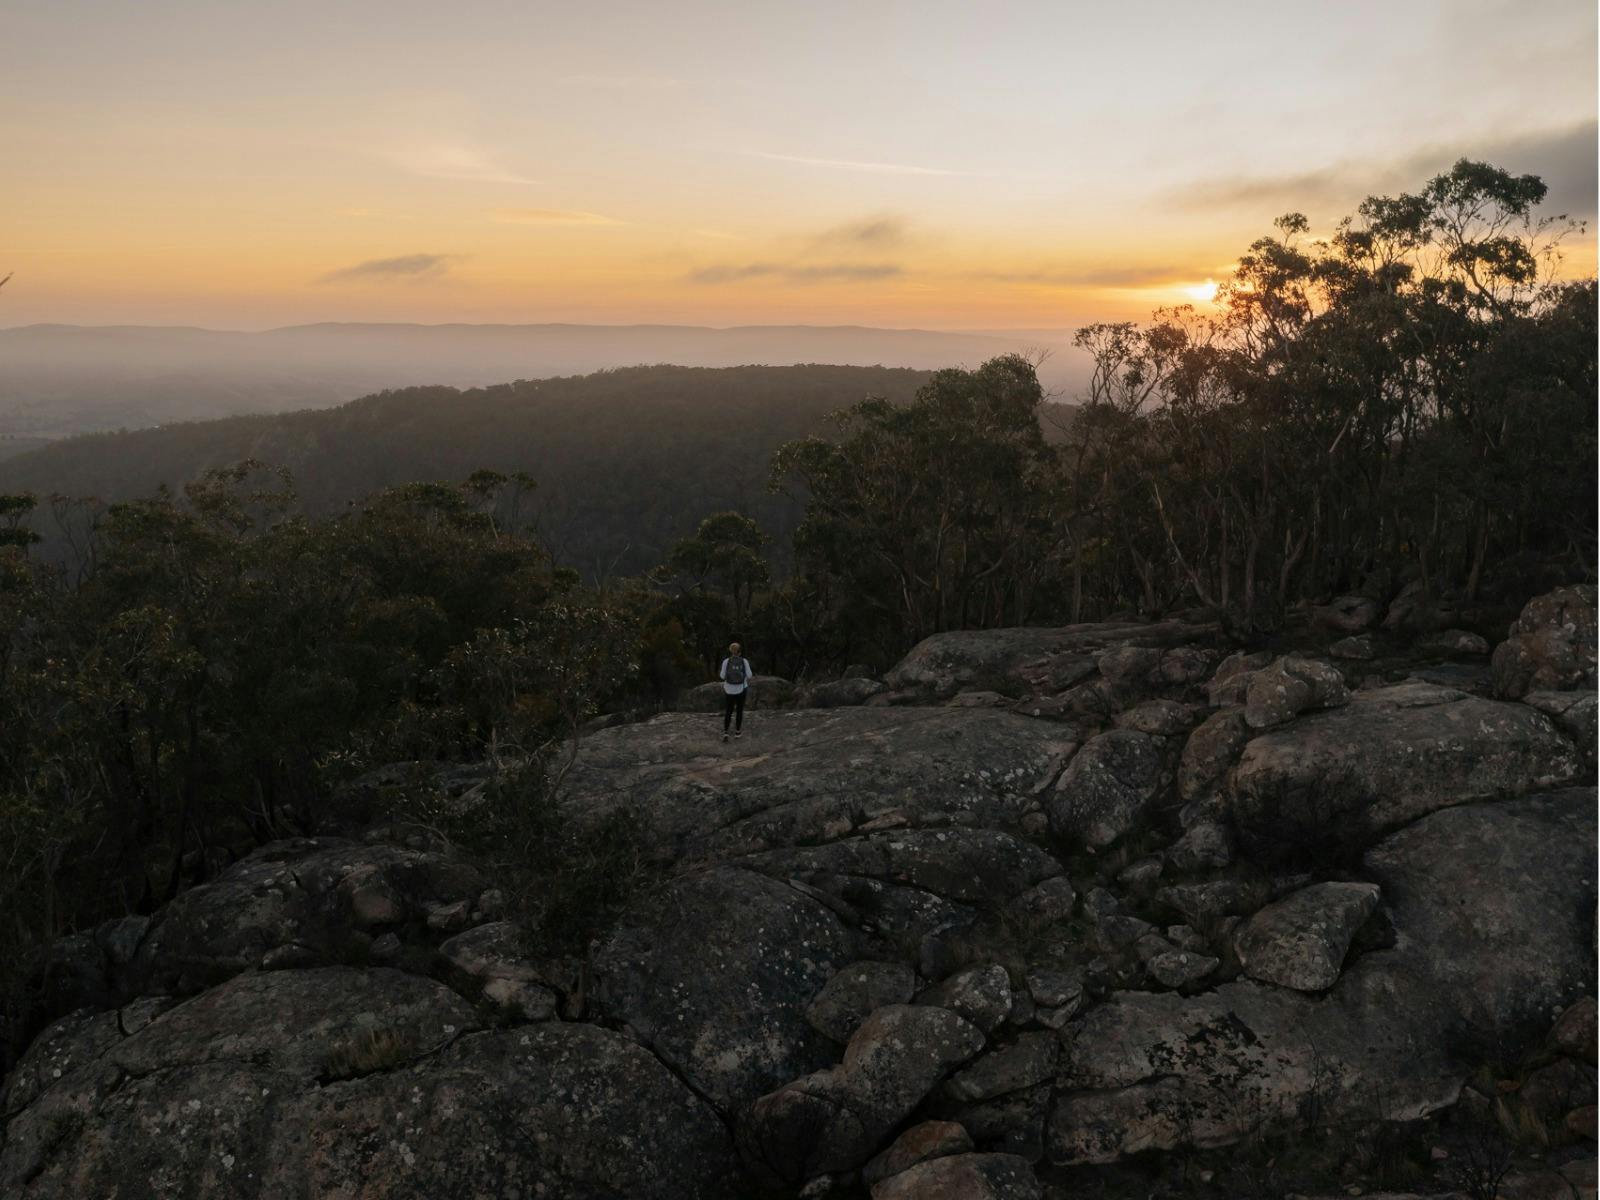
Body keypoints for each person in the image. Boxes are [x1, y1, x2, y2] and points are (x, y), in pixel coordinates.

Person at [719, 641, 753, 742]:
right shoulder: (744, 661)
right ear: (740, 652)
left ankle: (726, 733)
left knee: (728, 710)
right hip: (741, 689)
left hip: (729, 689)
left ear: (731, 651)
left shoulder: (726, 661)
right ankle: (737, 732)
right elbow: (750, 675)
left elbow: (722, 676)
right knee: (739, 711)